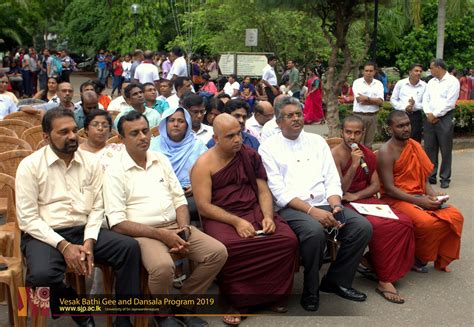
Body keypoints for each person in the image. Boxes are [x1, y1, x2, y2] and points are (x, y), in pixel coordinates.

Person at [16, 108, 140, 327]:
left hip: (84, 230)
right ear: (46, 136)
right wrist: (64, 246)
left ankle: (123, 319)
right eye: (63, 132)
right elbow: (27, 219)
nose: (72, 136)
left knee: (129, 248)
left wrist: (89, 241)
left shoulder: (90, 162)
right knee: (43, 276)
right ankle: (79, 310)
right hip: (45, 234)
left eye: (74, 130)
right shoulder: (30, 166)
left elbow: (97, 208)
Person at [104, 111, 227, 327]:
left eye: (145, 131)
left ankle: (184, 305)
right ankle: (162, 313)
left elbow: (179, 198)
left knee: (217, 253)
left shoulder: (160, 159)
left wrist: (183, 229)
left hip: (174, 226)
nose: (143, 137)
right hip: (143, 233)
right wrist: (162, 235)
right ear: (121, 139)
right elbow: (117, 222)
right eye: (134, 133)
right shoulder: (114, 170)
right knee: (162, 267)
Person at [258, 97, 372, 312]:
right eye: (290, 116)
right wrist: (313, 212)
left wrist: (336, 204)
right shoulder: (268, 148)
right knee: (314, 233)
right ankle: (311, 290)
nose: (296, 119)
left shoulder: (317, 141)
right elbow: (279, 192)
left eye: (299, 114)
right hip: (293, 209)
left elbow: (331, 178)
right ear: (279, 121)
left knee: (361, 227)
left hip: (325, 203)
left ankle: (336, 281)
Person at [191, 113, 298, 324]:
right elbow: (203, 207)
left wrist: (268, 216)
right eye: (230, 136)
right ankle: (236, 302)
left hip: (252, 209)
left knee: (286, 241)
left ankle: (272, 296)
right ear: (216, 138)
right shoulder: (203, 164)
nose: (238, 140)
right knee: (232, 246)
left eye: (239, 133)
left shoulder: (249, 155)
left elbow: (263, 190)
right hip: (221, 216)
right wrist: (236, 222)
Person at [331, 115, 415, 304]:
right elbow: (339, 189)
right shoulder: (334, 155)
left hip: (363, 199)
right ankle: (384, 279)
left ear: (363, 133)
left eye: (357, 133)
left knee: (404, 222)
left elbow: (376, 186)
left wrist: (358, 196)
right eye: (348, 132)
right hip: (344, 202)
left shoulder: (367, 153)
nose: (352, 137)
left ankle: (372, 261)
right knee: (380, 227)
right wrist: (353, 165)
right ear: (342, 132)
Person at [377, 110, 464, 273]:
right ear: (390, 129)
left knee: (455, 216)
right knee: (427, 223)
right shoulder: (385, 152)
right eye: (400, 126)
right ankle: (418, 258)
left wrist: (432, 194)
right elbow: (389, 189)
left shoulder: (415, 145)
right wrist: (420, 201)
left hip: (418, 196)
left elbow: (422, 177)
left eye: (408, 124)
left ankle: (432, 256)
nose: (406, 129)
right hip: (396, 199)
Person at [150, 107, 207, 223]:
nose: (176, 124)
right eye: (171, 120)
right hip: (159, 194)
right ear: (164, 124)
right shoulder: (152, 146)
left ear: (187, 124)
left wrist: (196, 185)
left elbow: (209, 171)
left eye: (181, 121)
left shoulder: (197, 146)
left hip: (189, 195)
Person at [423, 59, 460, 189]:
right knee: (429, 148)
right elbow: (425, 99)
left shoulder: (452, 81)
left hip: (444, 118)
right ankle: (431, 175)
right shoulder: (431, 82)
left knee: (445, 149)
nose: (430, 70)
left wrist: (435, 114)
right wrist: (428, 113)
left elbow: (450, 102)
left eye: (431, 68)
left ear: (439, 68)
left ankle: (445, 178)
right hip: (429, 118)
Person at [390, 63, 426, 142]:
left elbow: (426, 103)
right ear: (410, 72)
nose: (419, 73)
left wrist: (414, 105)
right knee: (400, 139)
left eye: (420, 71)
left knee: (415, 141)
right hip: (401, 115)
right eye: (416, 71)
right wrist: (404, 108)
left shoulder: (424, 86)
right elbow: (393, 99)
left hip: (416, 116)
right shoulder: (400, 83)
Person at [351, 62, 384, 148]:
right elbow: (359, 100)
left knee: (369, 144)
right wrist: (374, 100)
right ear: (363, 71)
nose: (368, 73)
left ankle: (368, 161)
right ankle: (358, 161)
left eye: (370, 71)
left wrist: (367, 99)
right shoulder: (357, 82)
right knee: (358, 143)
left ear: (374, 72)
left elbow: (380, 102)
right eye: (366, 70)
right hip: (359, 116)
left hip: (373, 116)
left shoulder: (378, 84)